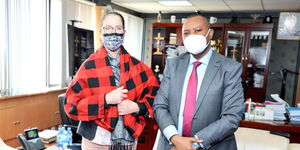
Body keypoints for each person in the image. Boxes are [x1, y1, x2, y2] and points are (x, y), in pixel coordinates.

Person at [64, 9, 159, 150]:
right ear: (101, 32)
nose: (113, 33)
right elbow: (71, 104)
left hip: (128, 141)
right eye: (108, 28)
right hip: (95, 141)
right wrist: (105, 100)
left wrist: (138, 107)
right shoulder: (88, 67)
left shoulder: (140, 68)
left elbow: (158, 99)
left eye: (118, 28)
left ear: (124, 32)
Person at [153, 14, 244, 150]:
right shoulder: (173, 65)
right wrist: (176, 139)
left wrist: (193, 144)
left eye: (197, 30)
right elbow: (159, 106)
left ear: (210, 34)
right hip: (172, 146)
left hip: (212, 146)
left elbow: (232, 117)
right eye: (186, 33)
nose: (192, 36)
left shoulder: (230, 68)